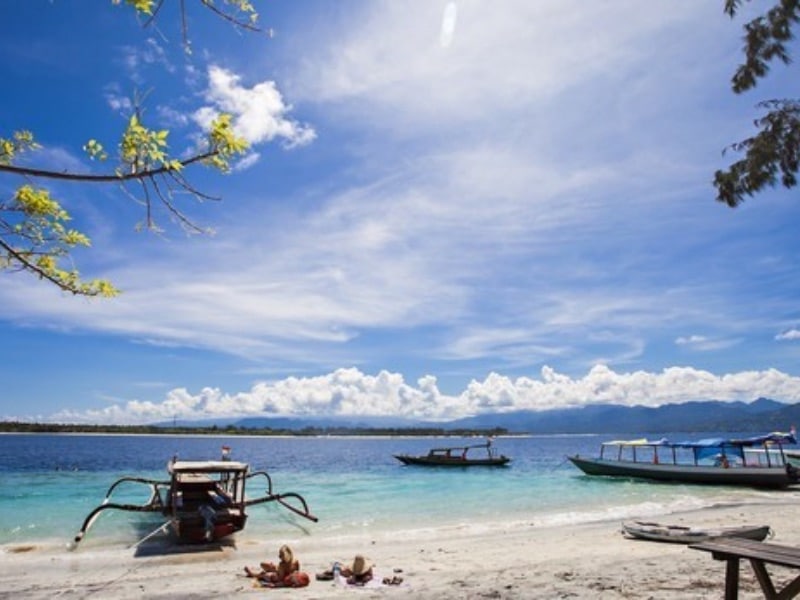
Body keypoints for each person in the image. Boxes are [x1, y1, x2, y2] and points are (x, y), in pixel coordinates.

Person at [244, 544, 308, 587]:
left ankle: (251, 574)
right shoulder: (295, 561)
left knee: (263, 574)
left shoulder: (282, 564)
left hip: (276, 577)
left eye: (281, 555)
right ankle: (268, 570)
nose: (279, 557)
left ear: (287, 555)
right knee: (263, 565)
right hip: (282, 574)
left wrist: (276, 571)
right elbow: (297, 573)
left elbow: (280, 578)